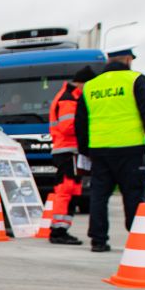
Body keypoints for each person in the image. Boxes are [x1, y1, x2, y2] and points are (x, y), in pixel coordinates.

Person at [75, 48, 145, 253]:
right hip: (130, 148)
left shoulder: (90, 86)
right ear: (127, 60)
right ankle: (138, 239)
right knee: (134, 195)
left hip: (99, 150)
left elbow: (80, 122)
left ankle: (98, 241)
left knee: (98, 196)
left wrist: (84, 150)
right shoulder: (136, 79)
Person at [45, 66, 97, 245]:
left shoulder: (71, 96)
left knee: (72, 190)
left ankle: (62, 228)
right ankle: (58, 230)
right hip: (67, 151)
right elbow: (68, 127)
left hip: (70, 151)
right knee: (66, 190)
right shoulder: (69, 99)